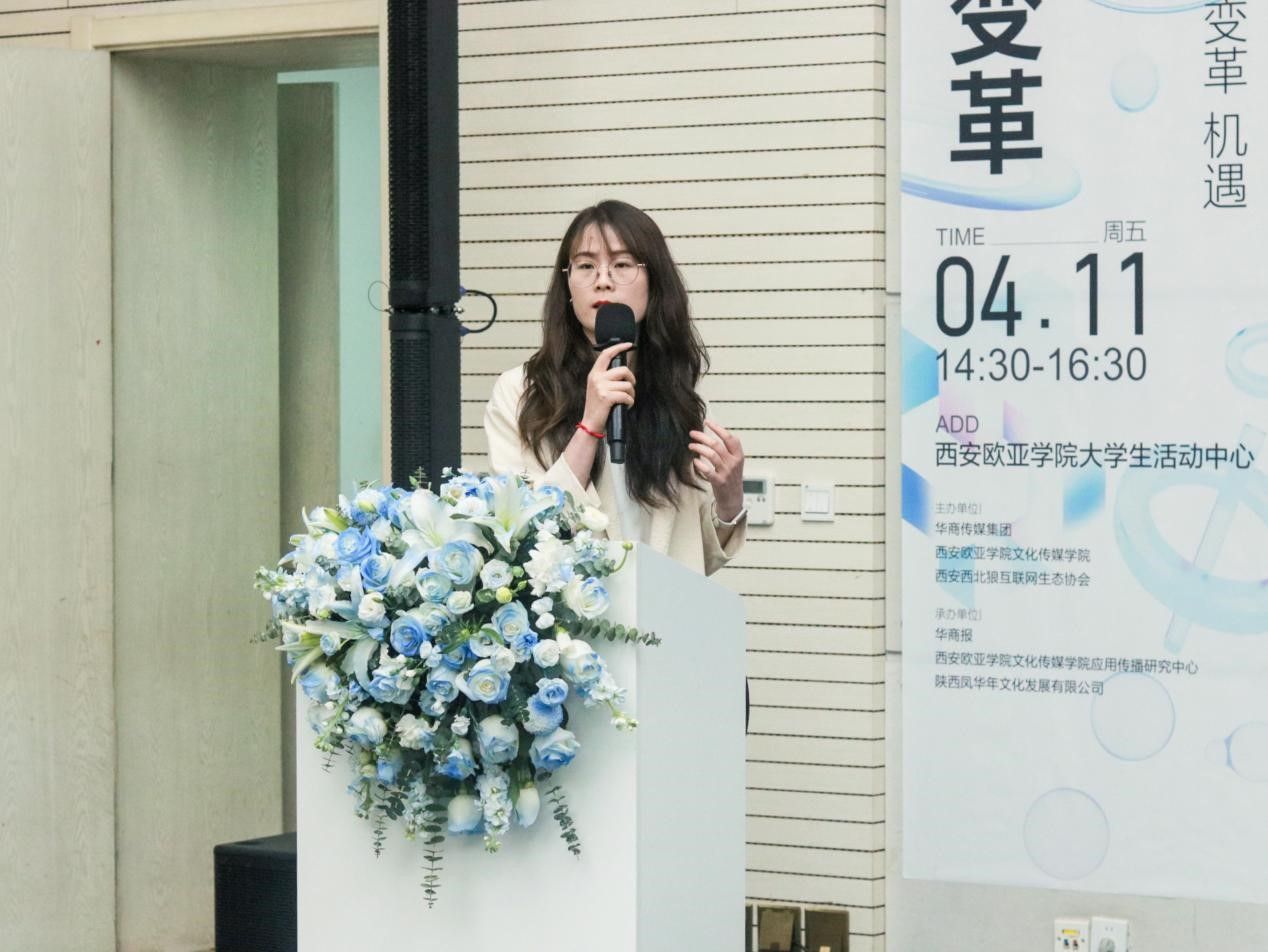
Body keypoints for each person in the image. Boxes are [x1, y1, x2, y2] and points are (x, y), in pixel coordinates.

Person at [483, 199, 747, 578]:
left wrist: (730, 497)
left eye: (622, 265)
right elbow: (525, 536)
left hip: (658, 611)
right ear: (567, 285)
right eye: (585, 266)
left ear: (654, 283)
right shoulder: (520, 392)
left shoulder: (679, 401)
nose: (603, 280)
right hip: (566, 612)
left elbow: (697, 557)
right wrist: (590, 424)